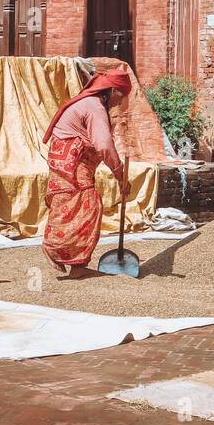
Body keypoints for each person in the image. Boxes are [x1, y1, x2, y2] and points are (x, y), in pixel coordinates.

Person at [40, 67, 131, 278]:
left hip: (66, 163)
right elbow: (104, 145)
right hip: (73, 164)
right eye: (120, 96)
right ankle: (61, 252)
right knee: (89, 206)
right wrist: (120, 174)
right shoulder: (95, 107)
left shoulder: (89, 103)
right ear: (112, 91)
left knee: (68, 207)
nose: (120, 102)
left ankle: (74, 264)